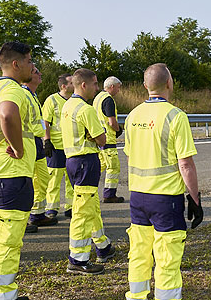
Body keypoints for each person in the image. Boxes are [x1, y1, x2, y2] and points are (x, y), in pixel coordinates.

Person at [123, 63, 203, 300]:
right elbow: (185, 164)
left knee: (139, 252)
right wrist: (195, 199)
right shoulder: (175, 116)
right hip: (165, 198)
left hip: (138, 196)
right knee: (167, 256)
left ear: (145, 86)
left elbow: (131, 152)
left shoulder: (133, 115)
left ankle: (136, 296)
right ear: (169, 83)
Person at [0, 42, 36, 300]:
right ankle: (5, 295)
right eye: (29, 61)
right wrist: (18, 147)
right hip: (9, 175)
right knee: (8, 242)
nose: (32, 67)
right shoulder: (13, 90)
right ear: (16, 64)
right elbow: (8, 115)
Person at [62, 68, 115, 275]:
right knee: (83, 211)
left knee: (90, 204)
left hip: (73, 159)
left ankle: (103, 246)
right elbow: (101, 139)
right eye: (94, 84)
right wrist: (96, 136)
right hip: (86, 160)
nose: (96, 88)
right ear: (83, 85)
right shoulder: (86, 109)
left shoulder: (67, 106)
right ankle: (78, 258)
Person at [22, 66, 58, 228]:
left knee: (42, 179)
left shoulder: (32, 95)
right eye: (36, 72)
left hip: (36, 142)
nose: (40, 74)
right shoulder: (23, 93)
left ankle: (38, 214)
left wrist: (45, 139)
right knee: (27, 182)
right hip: (27, 144)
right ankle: (25, 218)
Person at [42, 73, 75, 218]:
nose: (74, 85)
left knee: (71, 179)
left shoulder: (74, 100)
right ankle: (52, 208)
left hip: (71, 146)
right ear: (63, 86)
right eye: (71, 83)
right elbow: (45, 122)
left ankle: (70, 207)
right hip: (56, 146)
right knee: (54, 179)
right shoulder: (52, 100)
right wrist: (47, 140)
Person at [93, 76, 124, 203]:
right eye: (118, 87)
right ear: (112, 87)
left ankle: (90, 188)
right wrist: (118, 129)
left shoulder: (97, 98)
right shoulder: (108, 100)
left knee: (101, 165)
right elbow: (111, 122)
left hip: (99, 137)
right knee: (113, 167)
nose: (118, 90)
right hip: (108, 139)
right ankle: (109, 194)